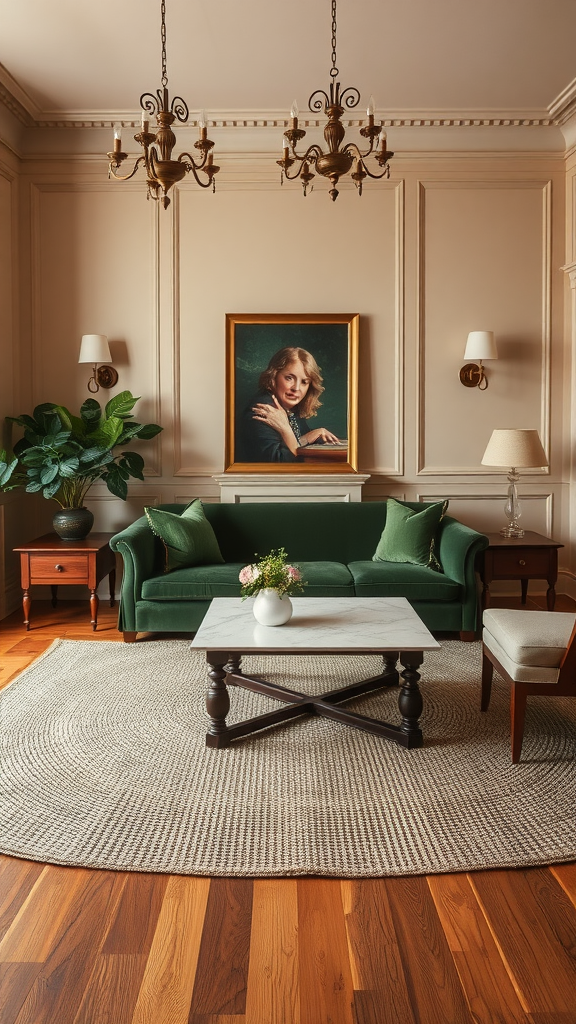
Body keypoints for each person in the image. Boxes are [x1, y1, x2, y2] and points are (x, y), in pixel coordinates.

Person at [236, 346, 342, 462]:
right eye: (289, 378)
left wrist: (313, 434)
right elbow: (281, 465)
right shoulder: (263, 410)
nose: (296, 388)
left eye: (304, 382)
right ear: (274, 376)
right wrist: (286, 429)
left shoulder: (288, 408)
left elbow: (293, 444)